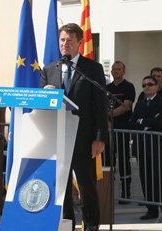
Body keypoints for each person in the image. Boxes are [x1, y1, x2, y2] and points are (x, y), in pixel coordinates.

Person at [40, 23, 107, 231]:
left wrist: (99, 138)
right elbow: (41, 107)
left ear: (79, 42)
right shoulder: (50, 69)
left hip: (83, 138)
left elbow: (100, 107)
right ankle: (66, 223)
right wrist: (45, 94)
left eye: (69, 40)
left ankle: (91, 225)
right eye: (62, 40)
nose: (64, 44)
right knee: (62, 186)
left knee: (87, 186)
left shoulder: (92, 69)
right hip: (57, 138)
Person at [130, 76, 162, 221]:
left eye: (149, 84)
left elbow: (161, 120)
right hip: (142, 146)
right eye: (144, 85)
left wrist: (142, 121)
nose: (146, 87)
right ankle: (151, 209)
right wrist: (147, 122)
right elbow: (132, 122)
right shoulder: (140, 104)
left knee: (158, 178)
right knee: (145, 178)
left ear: (156, 87)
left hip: (156, 146)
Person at [104, 61, 135, 203]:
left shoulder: (129, 87)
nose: (115, 71)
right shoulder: (107, 87)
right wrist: (107, 120)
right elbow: (101, 105)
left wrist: (109, 114)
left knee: (124, 161)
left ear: (124, 71)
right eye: (114, 69)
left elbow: (125, 107)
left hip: (122, 128)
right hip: (108, 129)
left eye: (118, 69)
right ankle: (107, 191)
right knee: (108, 162)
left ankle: (125, 193)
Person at [137, 67, 162, 166]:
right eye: (154, 76)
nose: (156, 78)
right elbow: (137, 115)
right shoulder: (143, 94)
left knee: (160, 165)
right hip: (144, 134)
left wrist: (156, 123)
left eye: (158, 76)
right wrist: (148, 122)